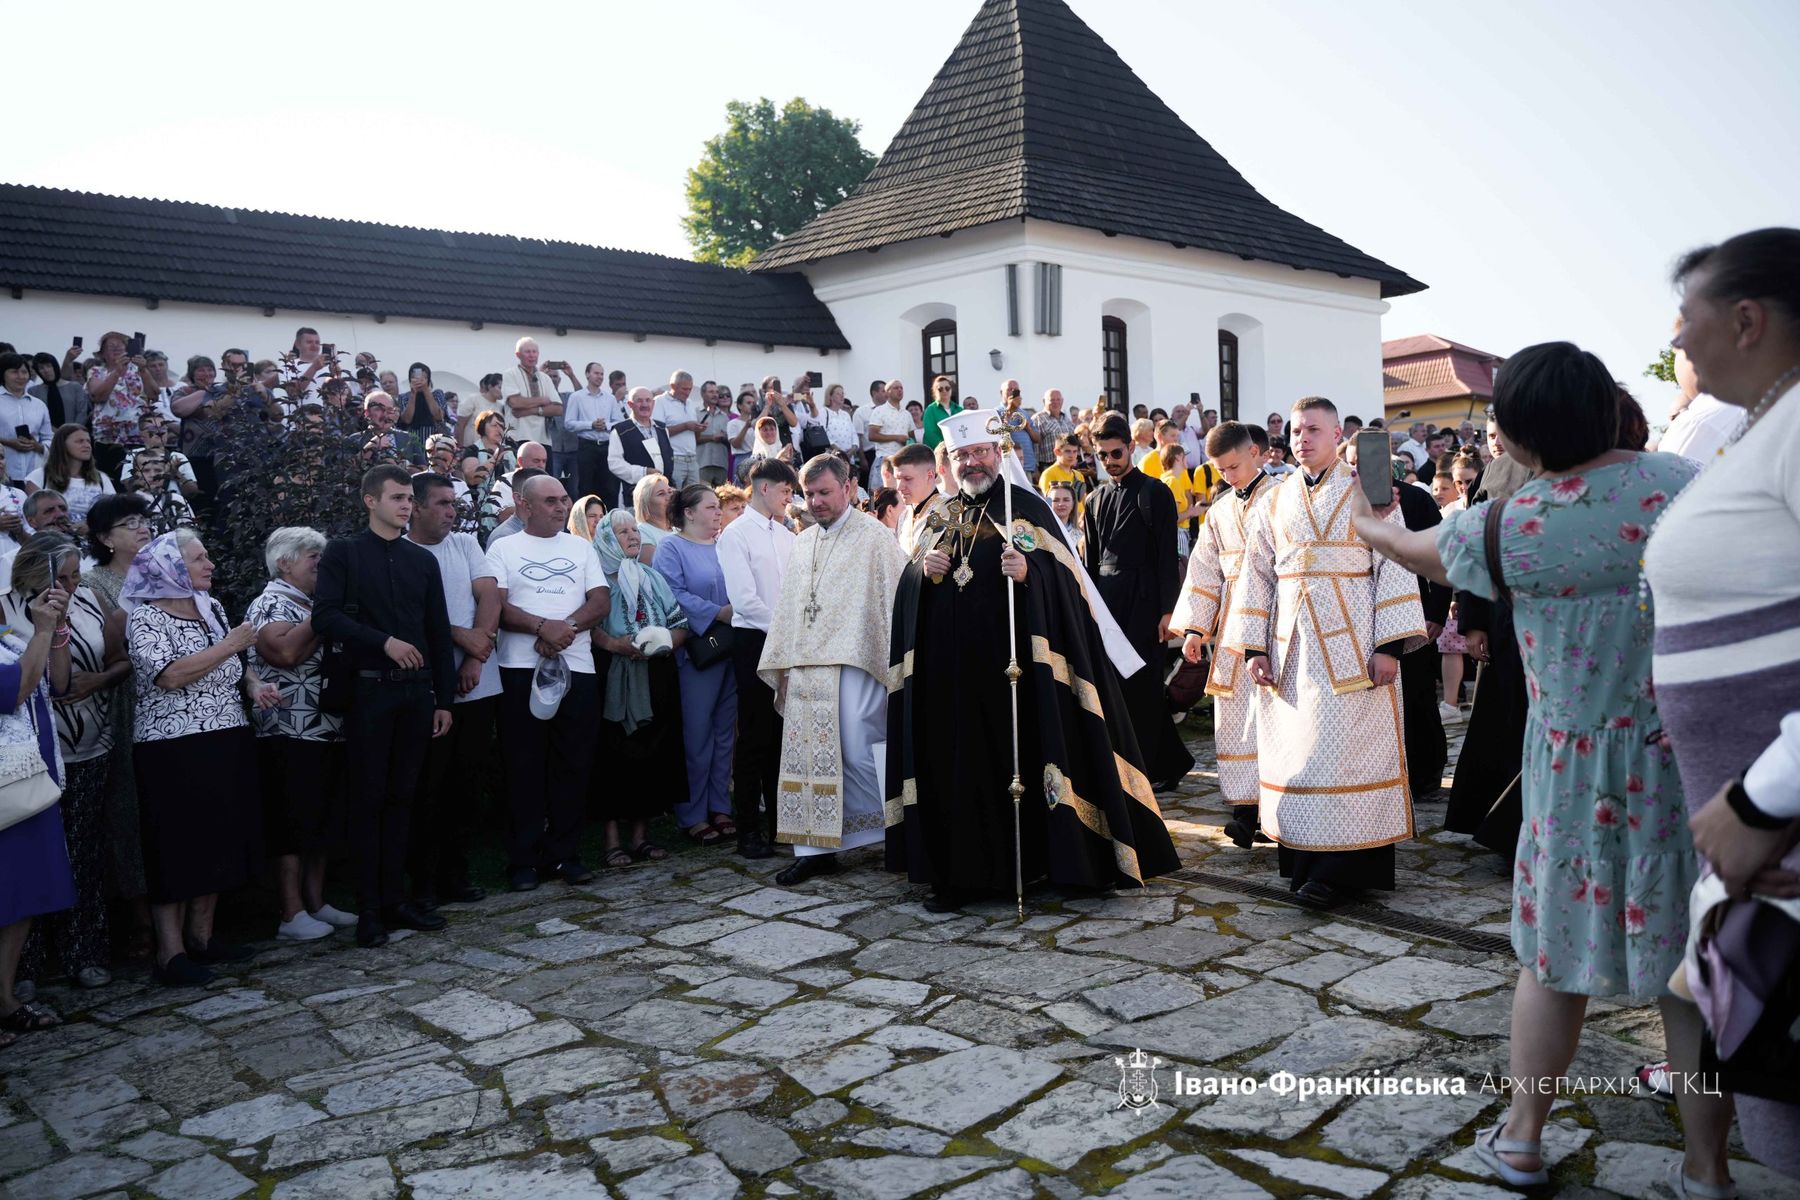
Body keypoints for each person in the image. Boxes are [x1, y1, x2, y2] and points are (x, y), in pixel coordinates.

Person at [1350, 339, 1721, 1191]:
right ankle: (1707, 1170)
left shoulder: (1509, 526)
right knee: (1690, 977)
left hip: (1571, 776)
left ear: (1515, 437)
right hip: (1678, 765)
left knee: (1552, 962)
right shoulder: (1685, 488)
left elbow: (1416, 551)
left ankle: (1521, 1139)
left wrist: (1375, 524)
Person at [886, 409, 1180, 911]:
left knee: (1020, 763)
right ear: (950, 464)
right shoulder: (940, 517)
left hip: (1015, 675)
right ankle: (958, 873)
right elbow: (913, 595)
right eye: (962, 456)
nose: (972, 463)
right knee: (957, 770)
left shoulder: (1025, 508)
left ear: (996, 454)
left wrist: (1031, 574)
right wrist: (921, 572)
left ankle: (1044, 862)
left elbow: (1070, 587)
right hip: (954, 680)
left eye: (980, 452)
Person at [1647, 228, 1800, 1182]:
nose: (1677, 339)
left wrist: (1763, 802)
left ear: (1747, 319)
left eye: (1687, 316)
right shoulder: (1767, 422)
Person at [1227, 396, 1427, 911]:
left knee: (1348, 756)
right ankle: (1304, 863)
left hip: (1356, 648)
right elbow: (1257, 574)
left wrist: (1389, 647)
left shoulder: (1370, 489)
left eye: (1313, 430)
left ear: (1338, 434)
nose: (1302, 439)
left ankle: (1344, 872)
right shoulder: (1275, 498)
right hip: (1291, 649)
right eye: (1295, 431)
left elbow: (1395, 561)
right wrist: (1253, 646)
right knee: (1299, 754)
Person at [313, 466, 457, 948]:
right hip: (370, 691)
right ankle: (370, 908)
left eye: (408, 498)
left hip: (417, 695)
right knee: (369, 800)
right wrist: (385, 643)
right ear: (370, 500)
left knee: (404, 798)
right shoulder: (345, 552)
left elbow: (438, 632)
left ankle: (396, 900)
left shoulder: (422, 561)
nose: (405, 505)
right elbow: (326, 616)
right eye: (396, 497)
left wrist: (444, 699)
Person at [125, 530, 277, 986]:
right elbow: (169, 677)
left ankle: (203, 938)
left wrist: (254, 685)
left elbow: (238, 665)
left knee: (220, 837)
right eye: (199, 558)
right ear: (171, 568)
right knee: (177, 846)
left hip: (227, 735)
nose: (210, 564)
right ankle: (169, 955)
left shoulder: (211, 608)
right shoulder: (145, 618)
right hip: (172, 747)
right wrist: (229, 646)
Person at [759, 454, 908, 886]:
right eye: (809, 495)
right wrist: (783, 660)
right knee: (807, 756)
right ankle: (815, 849)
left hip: (857, 661)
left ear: (849, 487)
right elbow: (791, 606)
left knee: (861, 745)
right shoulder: (803, 541)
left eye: (825, 492)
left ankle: (894, 832)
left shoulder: (875, 537)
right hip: (807, 666)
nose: (817, 502)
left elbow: (896, 596)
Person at [2, 536, 117, 991]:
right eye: (64, 576)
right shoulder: (6, 607)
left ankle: (82, 953)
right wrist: (44, 628)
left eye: (76, 574)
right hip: (19, 761)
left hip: (77, 747)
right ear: (36, 571)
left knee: (78, 856)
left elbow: (62, 681)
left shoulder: (82, 601)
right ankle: (22, 974)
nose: (73, 583)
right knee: (22, 870)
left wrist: (59, 629)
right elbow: (21, 688)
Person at [486, 474, 610, 891]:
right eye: (551, 501)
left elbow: (600, 601)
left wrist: (565, 629)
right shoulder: (503, 547)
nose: (561, 507)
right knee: (523, 766)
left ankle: (564, 855)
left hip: (577, 668)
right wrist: (542, 627)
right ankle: (522, 859)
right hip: (519, 669)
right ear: (525, 505)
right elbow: (497, 606)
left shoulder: (580, 547)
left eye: (564, 500)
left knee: (572, 765)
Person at [1172, 422, 1279, 848]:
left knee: (1271, 713)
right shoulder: (1217, 510)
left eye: (1234, 466)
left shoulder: (1282, 497)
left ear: (1256, 452)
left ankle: (1275, 808)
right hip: (1233, 623)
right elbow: (1204, 570)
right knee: (1236, 716)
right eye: (1221, 471)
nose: (1228, 477)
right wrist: (1197, 627)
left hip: (1276, 617)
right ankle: (1243, 809)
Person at [246, 527, 355, 942]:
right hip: (289, 728)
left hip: (329, 726)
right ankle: (290, 913)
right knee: (291, 820)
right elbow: (286, 653)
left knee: (322, 817)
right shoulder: (268, 602)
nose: (321, 564)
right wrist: (322, 613)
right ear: (284, 562)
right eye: (313, 556)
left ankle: (317, 901)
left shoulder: (313, 600)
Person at [1083, 416, 1194, 791]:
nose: (1110, 460)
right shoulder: (1094, 499)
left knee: (1145, 684)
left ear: (1131, 447)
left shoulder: (1155, 492)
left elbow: (1166, 555)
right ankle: (1143, 762)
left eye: (1116, 452)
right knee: (1115, 685)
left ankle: (1158, 767)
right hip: (1108, 605)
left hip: (1145, 602)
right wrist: (1090, 608)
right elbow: (1091, 561)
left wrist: (1168, 611)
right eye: (1102, 455)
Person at [405, 474, 499, 908]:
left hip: (478, 683)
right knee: (428, 787)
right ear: (416, 507)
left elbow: (490, 595)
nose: (451, 511)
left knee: (467, 784)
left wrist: (477, 655)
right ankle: (422, 881)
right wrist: (461, 638)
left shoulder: (464, 544)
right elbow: (413, 619)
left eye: (453, 504)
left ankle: (456, 874)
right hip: (428, 688)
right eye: (441, 503)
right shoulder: (402, 554)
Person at [0, 568, 73, 1042]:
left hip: (23, 782)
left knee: (20, 895)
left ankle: (3, 998)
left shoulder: (5, 634)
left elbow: (52, 682)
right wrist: (43, 629)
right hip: (7, 786)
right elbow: (14, 690)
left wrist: (50, 631)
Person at [591, 509, 687, 867]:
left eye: (635, 530)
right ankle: (612, 840)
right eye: (622, 532)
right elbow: (590, 627)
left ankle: (641, 837)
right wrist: (616, 645)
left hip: (655, 673)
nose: (633, 536)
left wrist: (664, 642)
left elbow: (680, 623)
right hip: (613, 673)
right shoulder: (597, 580)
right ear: (604, 539)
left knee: (651, 750)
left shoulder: (651, 577)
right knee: (613, 753)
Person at [80, 495, 152, 958]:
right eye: (130, 523)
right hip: (123, 706)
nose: (142, 528)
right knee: (128, 810)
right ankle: (142, 920)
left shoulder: (163, 570)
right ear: (106, 538)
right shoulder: (94, 583)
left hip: (173, 700)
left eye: (144, 520)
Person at [717, 458, 798, 859]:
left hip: (789, 642)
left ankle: (781, 825)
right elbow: (744, 600)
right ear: (764, 489)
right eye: (785, 491)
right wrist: (786, 630)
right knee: (754, 736)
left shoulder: (787, 535)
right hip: (754, 640)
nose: (790, 498)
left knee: (782, 736)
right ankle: (748, 828)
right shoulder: (735, 535)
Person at [654, 484, 738, 846]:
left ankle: (720, 806)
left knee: (724, 733)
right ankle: (692, 813)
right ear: (688, 512)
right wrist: (717, 612)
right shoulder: (671, 547)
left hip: (731, 650)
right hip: (696, 653)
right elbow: (670, 593)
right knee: (696, 735)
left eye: (719, 507)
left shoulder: (726, 546)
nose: (718, 512)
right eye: (710, 507)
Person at [27, 425, 116, 534]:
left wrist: (90, 527)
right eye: (80, 441)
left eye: (88, 441)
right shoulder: (38, 476)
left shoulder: (102, 478)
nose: (87, 445)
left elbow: (113, 513)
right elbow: (37, 515)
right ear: (62, 445)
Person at [565, 362, 621, 504]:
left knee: (609, 487)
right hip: (587, 446)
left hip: (607, 446)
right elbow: (569, 423)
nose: (600, 377)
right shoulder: (577, 397)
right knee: (586, 487)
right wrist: (591, 425)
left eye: (602, 374)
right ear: (587, 374)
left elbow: (619, 422)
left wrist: (605, 426)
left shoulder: (610, 398)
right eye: (596, 373)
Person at [610, 388, 675, 506]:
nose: (645, 404)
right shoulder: (620, 430)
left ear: (653, 403)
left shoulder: (662, 428)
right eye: (639, 401)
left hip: (664, 497)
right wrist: (644, 472)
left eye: (648, 400)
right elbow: (614, 463)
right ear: (630, 404)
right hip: (637, 497)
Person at [499, 338, 565, 449]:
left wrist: (530, 410)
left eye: (534, 352)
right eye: (527, 352)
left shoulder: (545, 378)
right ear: (518, 355)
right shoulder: (510, 374)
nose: (531, 355)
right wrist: (542, 400)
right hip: (517, 437)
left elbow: (558, 409)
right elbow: (515, 402)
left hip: (543, 439)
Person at [0, 353, 53, 483]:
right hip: (4, 474)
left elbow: (48, 437)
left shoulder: (39, 405)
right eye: (14, 372)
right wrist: (8, 442)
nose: (20, 377)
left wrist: (37, 446)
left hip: (34, 474)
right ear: (3, 374)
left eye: (24, 372)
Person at [890, 444, 945, 557]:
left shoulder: (948, 512)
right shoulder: (904, 514)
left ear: (929, 475)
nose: (899, 487)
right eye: (897, 479)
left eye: (907, 479)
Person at [632, 473, 676, 565]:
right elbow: (654, 572)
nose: (669, 497)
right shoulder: (642, 532)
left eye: (670, 492)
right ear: (645, 503)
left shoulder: (679, 529)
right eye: (661, 494)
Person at [398, 362, 448, 436]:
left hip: (435, 440)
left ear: (428, 379)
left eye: (423, 378)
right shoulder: (403, 397)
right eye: (414, 378)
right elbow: (407, 420)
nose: (419, 381)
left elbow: (438, 416)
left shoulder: (437, 394)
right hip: (412, 440)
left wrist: (425, 390)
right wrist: (413, 393)